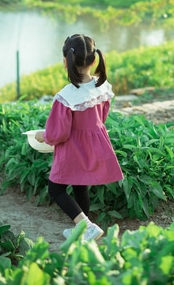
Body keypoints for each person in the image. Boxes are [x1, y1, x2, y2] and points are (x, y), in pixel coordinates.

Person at [35, 34, 123, 241]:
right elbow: (103, 115)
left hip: (72, 148)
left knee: (55, 190)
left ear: (66, 62)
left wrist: (43, 135)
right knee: (80, 183)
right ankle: (84, 230)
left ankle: (86, 226)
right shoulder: (101, 86)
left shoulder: (66, 96)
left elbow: (59, 133)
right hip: (92, 145)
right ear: (94, 60)